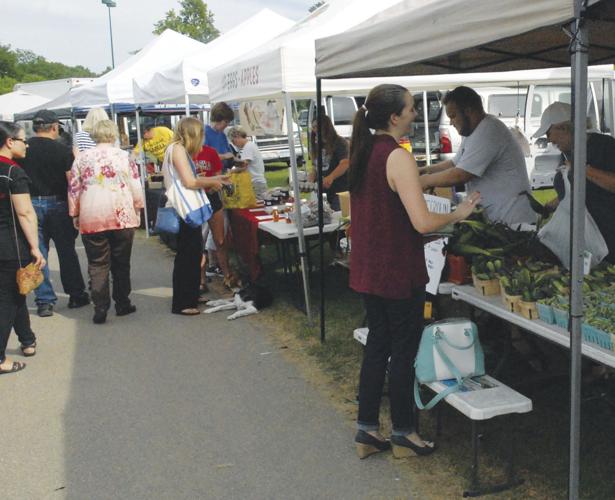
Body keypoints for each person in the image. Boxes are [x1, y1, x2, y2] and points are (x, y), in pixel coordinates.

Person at [348, 84, 479, 459]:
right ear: (394, 116)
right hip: (398, 270)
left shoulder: (364, 150)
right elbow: (422, 222)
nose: (413, 114)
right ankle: (405, 432)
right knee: (403, 352)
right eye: (409, 109)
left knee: (378, 346)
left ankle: (367, 431)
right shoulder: (396, 156)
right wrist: (457, 213)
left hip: (370, 269)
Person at [418, 86, 536, 226]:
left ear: (468, 111)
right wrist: (424, 171)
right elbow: (455, 163)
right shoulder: (473, 131)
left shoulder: (488, 131)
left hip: (513, 221)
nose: (451, 122)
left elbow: (460, 174)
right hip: (497, 219)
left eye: (453, 116)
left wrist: (426, 181)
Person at [68, 120, 144, 324]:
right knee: (121, 262)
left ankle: (100, 307)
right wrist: (138, 209)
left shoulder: (82, 159)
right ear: (113, 135)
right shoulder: (124, 156)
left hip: (92, 216)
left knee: (97, 263)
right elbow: (135, 185)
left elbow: (74, 188)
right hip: (122, 214)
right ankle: (122, 302)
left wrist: (75, 213)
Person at [17, 109, 89, 317]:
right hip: (59, 203)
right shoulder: (63, 151)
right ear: (55, 127)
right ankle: (76, 294)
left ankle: (44, 300)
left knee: (37, 253)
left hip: (30, 204)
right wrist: (77, 210)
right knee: (67, 250)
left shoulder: (25, 150)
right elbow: (72, 182)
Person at [163, 117, 230, 315]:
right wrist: (211, 182)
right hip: (185, 209)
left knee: (193, 253)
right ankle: (183, 302)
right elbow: (190, 182)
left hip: (185, 209)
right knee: (188, 254)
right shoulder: (178, 150)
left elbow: (192, 179)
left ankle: (191, 295)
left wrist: (216, 178)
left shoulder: (175, 149)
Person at [534, 101, 615, 262]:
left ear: (564, 128)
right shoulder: (567, 152)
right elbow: (578, 189)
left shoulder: (605, 147)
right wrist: (553, 204)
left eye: (549, 133)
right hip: (583, 239)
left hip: (608, 238)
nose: (549, 140)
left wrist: (582, 169)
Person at [0, 121, 46, 374]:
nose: (26, 144)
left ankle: (27, 339)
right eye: (21, 139)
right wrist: (35, 247)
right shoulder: (13, 173)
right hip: (9, 244)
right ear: (9, 142)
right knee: (9, 298)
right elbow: (26, 213)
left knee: (17, 291)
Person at [194, 142, 233, 291]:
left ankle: (227, 275)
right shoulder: (185, 153)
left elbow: (218, 176)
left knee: (220, 240)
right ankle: (202, 279)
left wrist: (213, 186)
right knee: (199, 242)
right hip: (196, 200)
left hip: (212, 198)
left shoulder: (211, 152)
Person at [309, 113, 349, 210]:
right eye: (313, 127)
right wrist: (311, 176)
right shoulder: (317, 145)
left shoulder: (340, 142)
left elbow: (345, 163)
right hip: (321, 192)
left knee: (338, 218)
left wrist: (331, 177)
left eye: (317, 127)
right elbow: (315, 166)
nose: (315, 130)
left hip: (339, 191)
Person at [227, 126, 268, 201]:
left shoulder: (248, 147)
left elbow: (243, 165)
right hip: (257, 182)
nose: (234, 144)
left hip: (256, 183)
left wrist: (230, 171)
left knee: (257, 206)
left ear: (237, 136)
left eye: (233, 141)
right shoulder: (249, 146)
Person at [205, 102, 235, 170]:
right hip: (210, 177)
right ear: (218, 119)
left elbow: (229, 154)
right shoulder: (204, 133)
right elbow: (204, 158)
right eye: (226, 121)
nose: (227, 125)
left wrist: (238, 161)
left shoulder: (222, 135)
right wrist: (224, 156)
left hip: (222, 173)